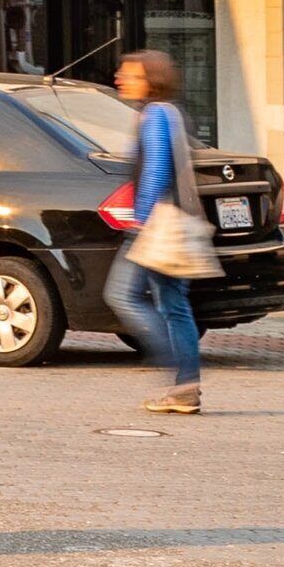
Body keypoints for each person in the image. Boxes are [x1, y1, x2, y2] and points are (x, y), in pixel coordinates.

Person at [111, 49, 215, 417]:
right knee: (174, 306)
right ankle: (185, 387)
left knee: (123, 295)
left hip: (158, 224)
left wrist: (141, 220)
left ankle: (174, 371)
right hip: (170, 220)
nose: (120, 78)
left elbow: (156, 168)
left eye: (129, 74)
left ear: (151, 80)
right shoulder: (168, 112)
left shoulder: (154, 114)